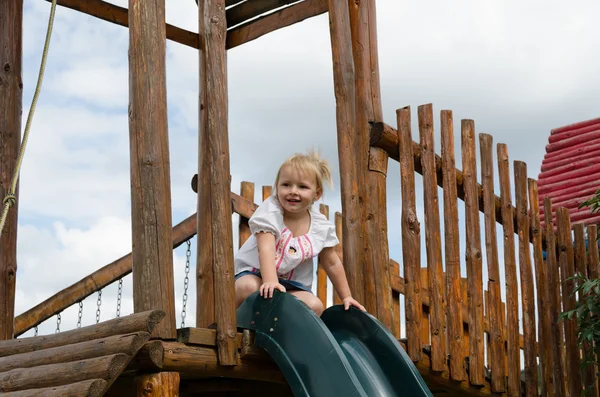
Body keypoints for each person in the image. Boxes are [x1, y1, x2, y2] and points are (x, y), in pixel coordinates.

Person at [234, 149, 365, 316]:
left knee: (314, 305)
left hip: (292, 286)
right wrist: (271, 282)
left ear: (317, 194)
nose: (293, 191)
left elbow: (332, 263)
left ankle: (280, 333)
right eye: (286, 184)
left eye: (302, 187)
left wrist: (346, 296)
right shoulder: (271, 213)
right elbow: (265, 248)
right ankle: (233, 321)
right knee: (248, 287)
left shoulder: (319, 226)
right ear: (277, 187)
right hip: (258, 275)